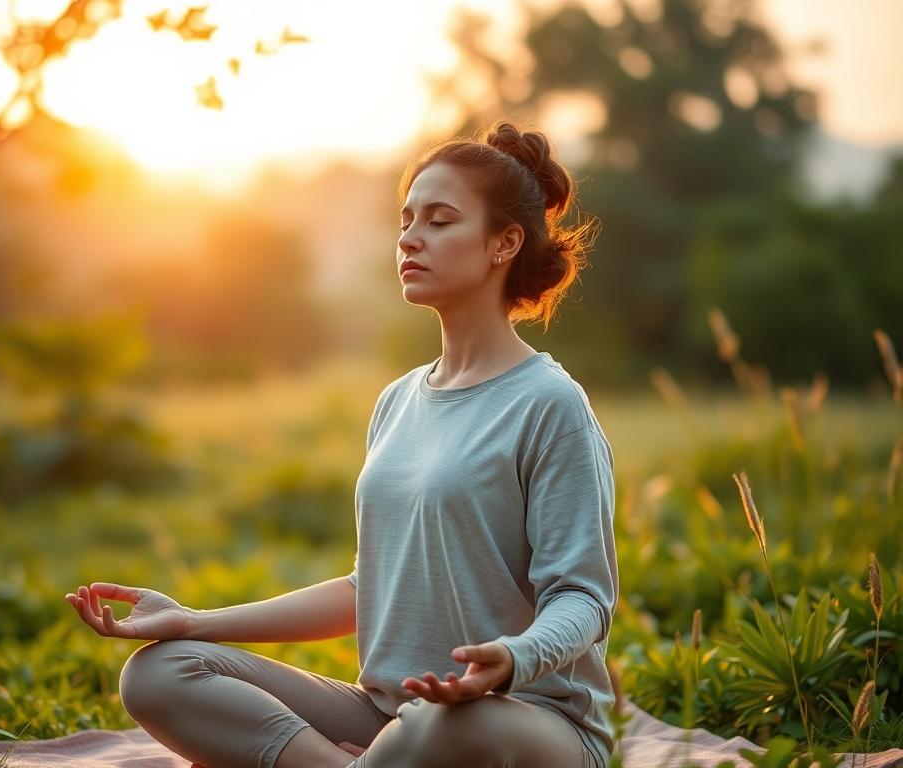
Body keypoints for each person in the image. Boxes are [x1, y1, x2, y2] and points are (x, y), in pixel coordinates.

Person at [65, 119, 618, 768]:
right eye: (406, 220)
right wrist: (193, 621)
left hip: (526, 721)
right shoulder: (397, 401)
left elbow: (583, 598)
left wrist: (512, 660)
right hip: (387, 714)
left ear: (504, 243)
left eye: (439, 221)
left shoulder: (550, 406)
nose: (411, 238)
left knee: (432, 730)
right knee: (159, 673)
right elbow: (369, 587)